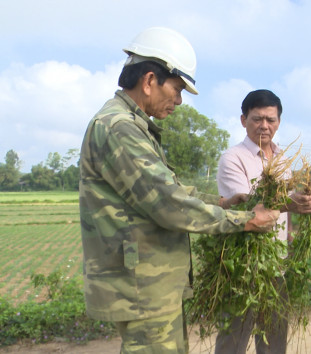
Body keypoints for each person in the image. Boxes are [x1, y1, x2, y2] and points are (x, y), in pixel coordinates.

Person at [79, 27, 279, 354]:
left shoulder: (131, 126)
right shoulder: (119, 128)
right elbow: (168, 204)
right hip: (141, 285)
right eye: (176, 88)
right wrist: (245, 220)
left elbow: (168, 188)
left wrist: (223, 201)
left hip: (151, 283)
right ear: (148, 81)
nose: (179, 100)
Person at [214, 89, 311, 354]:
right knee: (233, 339)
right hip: (243, 265)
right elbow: (248, 207)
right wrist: (290, 203)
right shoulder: (233, 158)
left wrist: (293, 230)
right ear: (243, 120)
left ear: (279, 122)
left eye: (270, 119)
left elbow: (287, 209)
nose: (264, 125)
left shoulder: (283, 158)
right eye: (257, 118)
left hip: (277, 264)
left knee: (274, 341)